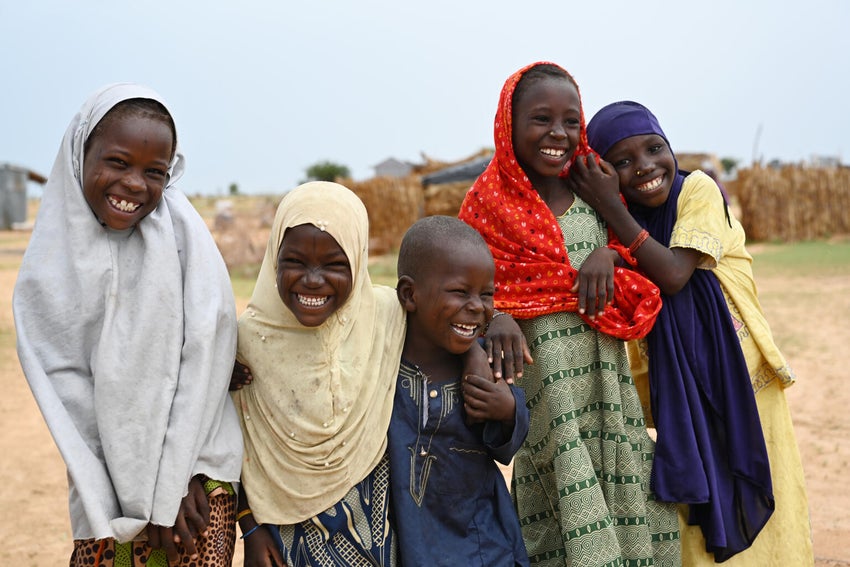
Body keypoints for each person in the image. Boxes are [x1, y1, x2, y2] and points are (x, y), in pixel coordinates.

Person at [458, 62, 681, 567]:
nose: (558, 134)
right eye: (541, 119)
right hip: (545, 394)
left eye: (571, 121)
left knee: (625, 501)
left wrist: (612, 254)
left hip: (607, 384)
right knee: (558, 519)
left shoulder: (595, 189)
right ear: (507, 124)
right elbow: (462, 290)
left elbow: (638, 253)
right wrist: (496, 316)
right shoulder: (485, 205)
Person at [572, 100, 813, 565]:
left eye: (654, 148)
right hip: (677, 397)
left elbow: (676, 272)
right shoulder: (616, 226)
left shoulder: (697, 190)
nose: (645, 167)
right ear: (603, 170)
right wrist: (615, 251)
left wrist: (615, 234)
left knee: (766, 485)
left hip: (744, 381)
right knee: (691, 519)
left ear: (670, 147)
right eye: (621, 162)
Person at [13, 83, 244, 566]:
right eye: (118, 162)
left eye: (154, 171)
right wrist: (128, 496)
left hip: (195, 485)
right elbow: (69, 401)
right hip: (107, 492)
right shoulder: (48, 270)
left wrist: (171, 485)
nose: (135, 184)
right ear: (80, 154)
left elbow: (205, 356)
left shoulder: (183, 238)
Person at [230, 182, 495, 566]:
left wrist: (484, 339)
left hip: (380, 532)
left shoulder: (385, 314)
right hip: (284, 535)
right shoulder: (246, 342)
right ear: (274, 257)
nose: (313, 280)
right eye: (295, 262)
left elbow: (450, 322)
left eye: (335, 265)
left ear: (357, 259)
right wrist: (250, 529)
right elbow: (234, 445)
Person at [389, 215, 530, 566]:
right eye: (459, 291)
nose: (477, 306)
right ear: (410, 295)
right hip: (407, 544)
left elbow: (507, 446)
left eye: (487, 294)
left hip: (482, 547)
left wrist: (508, 409)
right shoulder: (383, 363)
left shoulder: (483, 365)